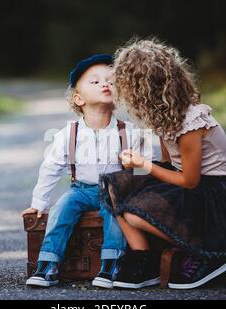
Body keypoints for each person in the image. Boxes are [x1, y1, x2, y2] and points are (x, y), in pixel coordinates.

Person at [99, 39, 226, 290]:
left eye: (130, 88)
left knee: (134, 214)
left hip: (211, 193)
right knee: (117, 188)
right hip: (188, 184)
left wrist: (144, 164)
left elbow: (190, 180)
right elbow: (169, 163)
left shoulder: (191, 121)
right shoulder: (163, 116)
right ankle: (144, 260)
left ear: (145, 89)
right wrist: (135, 165)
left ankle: (210, 251)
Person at [22, 54, 153, 288]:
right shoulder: (67, 134)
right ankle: (48, 263)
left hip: (116, 192)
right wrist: (39, 202)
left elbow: (148, 168)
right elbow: (50, 168)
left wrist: (137, 169)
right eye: (95, 82)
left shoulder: (131, 132)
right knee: (62, 207)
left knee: (116, 214)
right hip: (80, 190)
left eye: (111, 81)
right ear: (79, 98)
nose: (105, 84)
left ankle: (111, 264)